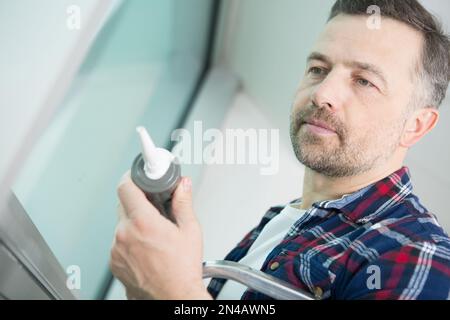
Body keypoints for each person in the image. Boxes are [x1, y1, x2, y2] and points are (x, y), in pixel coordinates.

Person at [109, 0, 450, 300]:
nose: (322, 93)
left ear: (416, 125)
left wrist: (172, 292)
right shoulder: (278, 221)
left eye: (364, 81)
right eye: (318, 69)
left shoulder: (420, 253)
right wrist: (151, 277)